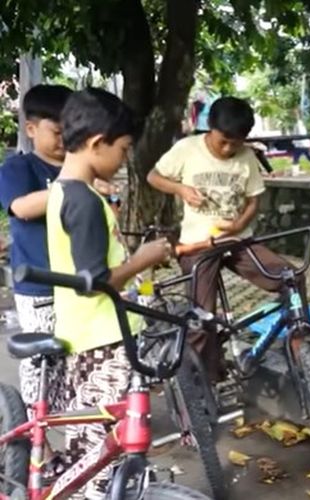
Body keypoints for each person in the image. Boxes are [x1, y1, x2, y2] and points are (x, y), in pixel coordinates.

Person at [49, 87, 172, 497]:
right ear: (97, 143)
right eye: (122, 149)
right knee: (106, 455)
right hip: (105, 338)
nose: (123, 160)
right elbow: (95, 281)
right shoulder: (83, 201)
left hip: (83, 334)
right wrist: (145, 256)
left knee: (89, 447)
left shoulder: (64, 191)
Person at [147, 96, 307, 381]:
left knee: (291, 278)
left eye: (236, 142)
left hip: (238, 240)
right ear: (210, 127)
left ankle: (300, 349)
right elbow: (153, 177)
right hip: (197, 244)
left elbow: (253, 203)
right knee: (202, 318)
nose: (229, 148)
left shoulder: (246, 156)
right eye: (224, 141)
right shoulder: (187, 149)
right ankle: (201, 382)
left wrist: (238, 226)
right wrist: (181, 189)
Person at [0, 84, 73, 415]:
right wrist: (74, 186)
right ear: (31, 129)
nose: (64, 140)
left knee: (72, 353)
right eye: (57, 131)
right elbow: (22, 207)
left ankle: (67, 413)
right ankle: (33, 421)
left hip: (79, 280)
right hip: (38, 285)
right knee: (40, 357)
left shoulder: (76, 168)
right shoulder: (19, 168)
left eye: (71, 131)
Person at [290, 108, 310, 176]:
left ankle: (295, 172)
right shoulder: (300, 123)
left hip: (300, 144)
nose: (293, 116)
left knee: (296, 157)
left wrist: (295, 140)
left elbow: (300, 134)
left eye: (295, 114)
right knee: (309, 157)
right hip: (304, 144)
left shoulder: (299, 123)